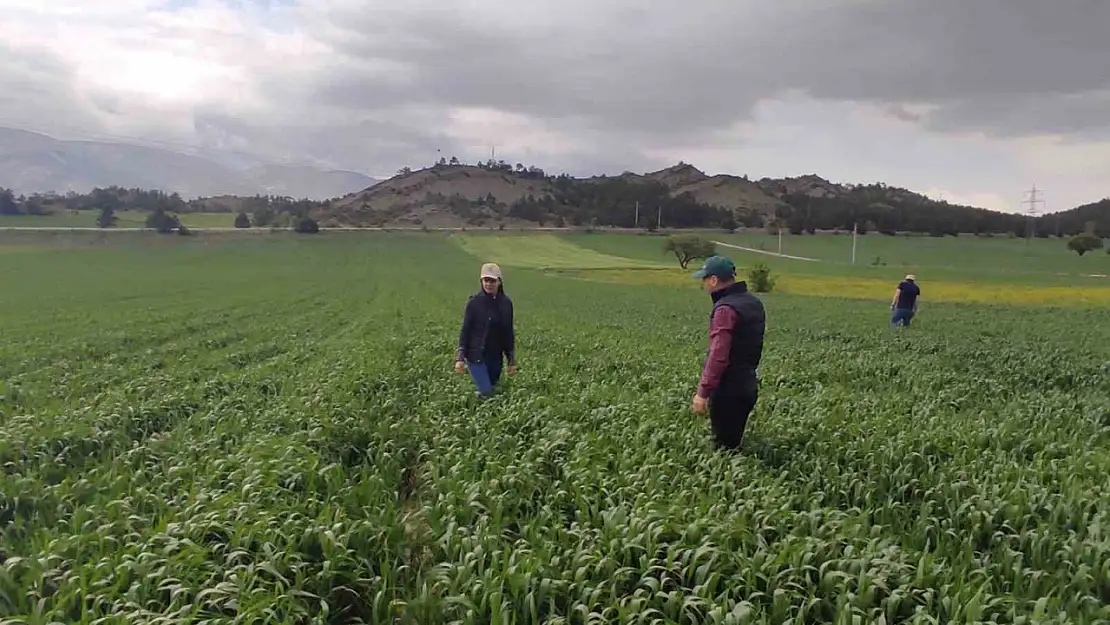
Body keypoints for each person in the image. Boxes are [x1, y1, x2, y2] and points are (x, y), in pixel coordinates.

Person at [689, 255, 766, 450]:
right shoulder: (753, 302)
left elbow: (718, 355)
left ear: (714, 280)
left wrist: (702, 393)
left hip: (728, 390)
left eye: (705, 279)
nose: (704, 285)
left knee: (724, 451)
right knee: (732, 443)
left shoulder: (725, 309)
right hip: (747, 384)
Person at [454, 262, 516, 397]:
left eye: (492, 281)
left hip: (495, 357)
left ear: (499, 282)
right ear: (481, 281)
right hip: (475, 355)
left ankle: (477, 408)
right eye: (485, 280)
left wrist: (511, 361)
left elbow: (508, 333)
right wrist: (460, 358)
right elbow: (465, 330)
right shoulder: (474, 303)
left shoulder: (506, 304)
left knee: (492, 388)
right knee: (486, 391)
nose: (488, 284)